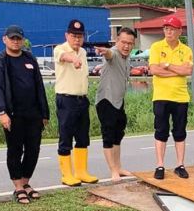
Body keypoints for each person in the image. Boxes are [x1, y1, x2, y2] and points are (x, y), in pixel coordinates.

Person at [0, 24, 50, 204]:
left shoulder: (30, 58)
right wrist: (2, 112)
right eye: (12, 38)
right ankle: (18, 187)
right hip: (12, 115)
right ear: (5, 39)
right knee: (15, 150)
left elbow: (39, 86)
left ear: (22, 40)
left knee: (33, 149)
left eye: (18, 38)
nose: (16, 41)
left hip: (33, 114)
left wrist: (44, 112)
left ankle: (25, 182)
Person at [148, 15, 194, 180]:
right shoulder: (156, 46)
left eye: (172, 29)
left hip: (181, 97)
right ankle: (160, 165)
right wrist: (176, 69)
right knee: (161, 130)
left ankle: (180, 164)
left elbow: (187, 71)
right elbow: (154, 70)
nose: (168, 31)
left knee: (180, 131)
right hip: (161, 96)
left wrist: (167, 65)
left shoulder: (186, 50)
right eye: (166, 28)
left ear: (179, 31)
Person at [54, 19, 97, 186]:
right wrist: (73, 59)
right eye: (73, 35)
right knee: (66, 136)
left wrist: (78, 57)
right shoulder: (60, 49)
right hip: (66, 99)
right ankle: (66, 174)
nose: (77, 39)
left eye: (80, 36)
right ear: (67, 35)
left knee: (82, 136)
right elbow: (64, 57)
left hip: (81, 99)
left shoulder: (84, 52)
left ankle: (81, 171)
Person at [94, 27, 136, 181]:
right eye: (123, 42)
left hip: (119, 101)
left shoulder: (128, 57)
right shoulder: (114, 53)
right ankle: (113, 171)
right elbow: (109, 54)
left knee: (118, 135)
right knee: (109, 135)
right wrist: (104, 51)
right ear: (117, 41)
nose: (126, 46)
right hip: (106, 101)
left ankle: (118, 167)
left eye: (130, 43)